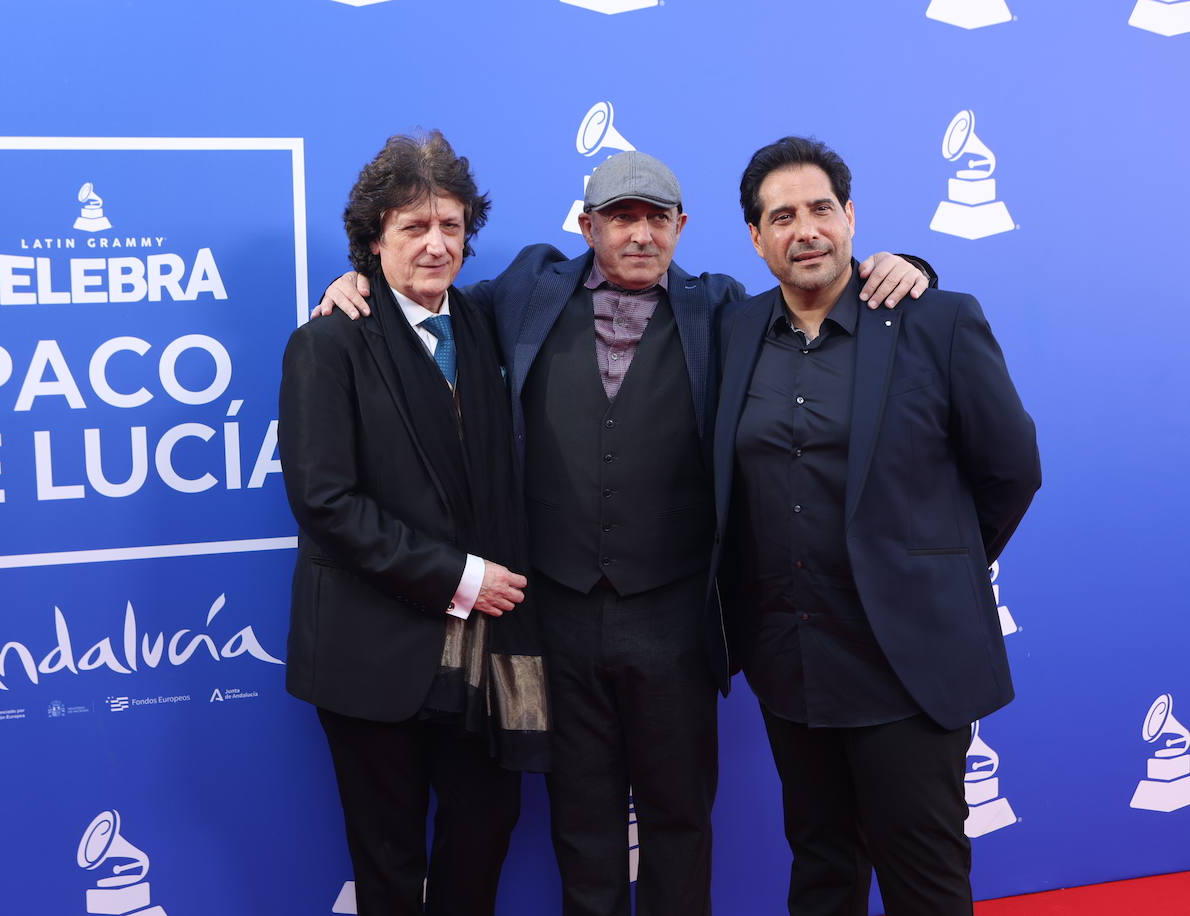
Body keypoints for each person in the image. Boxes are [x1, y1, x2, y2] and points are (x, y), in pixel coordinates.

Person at [317, 149, 930, 916]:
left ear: (682, 227)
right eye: (620, 218)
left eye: (656, 219)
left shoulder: (725, 311)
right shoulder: (524, 294)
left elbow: (815, 289)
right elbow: (425, 295)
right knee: (582, 825)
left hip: (674, 619)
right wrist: (356, 283)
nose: (640, 235)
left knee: (679, 820)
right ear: (586, 226)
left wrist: (906, 265)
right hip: (558, 619)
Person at [711, 136, 1041, 916]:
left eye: (822, 208)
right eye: (782, 216)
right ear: (756, 240)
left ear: (852, 217)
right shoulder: (730, 331)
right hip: (791, 664)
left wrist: (928, 566)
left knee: (924, 884)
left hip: (908, 669)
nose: (807, 230)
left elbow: (1011, 471)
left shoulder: (936, 320)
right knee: (821, 873)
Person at [279, 131, 549, 916]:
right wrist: (460, 578)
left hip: (488, 659)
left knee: (486, 828)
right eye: (413, 228)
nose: (436, 245)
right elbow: (326, 503)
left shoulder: (493, 322)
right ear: (373, 242)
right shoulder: (327, 342)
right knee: (388, 861)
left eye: (451, 228)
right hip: (371, 656)